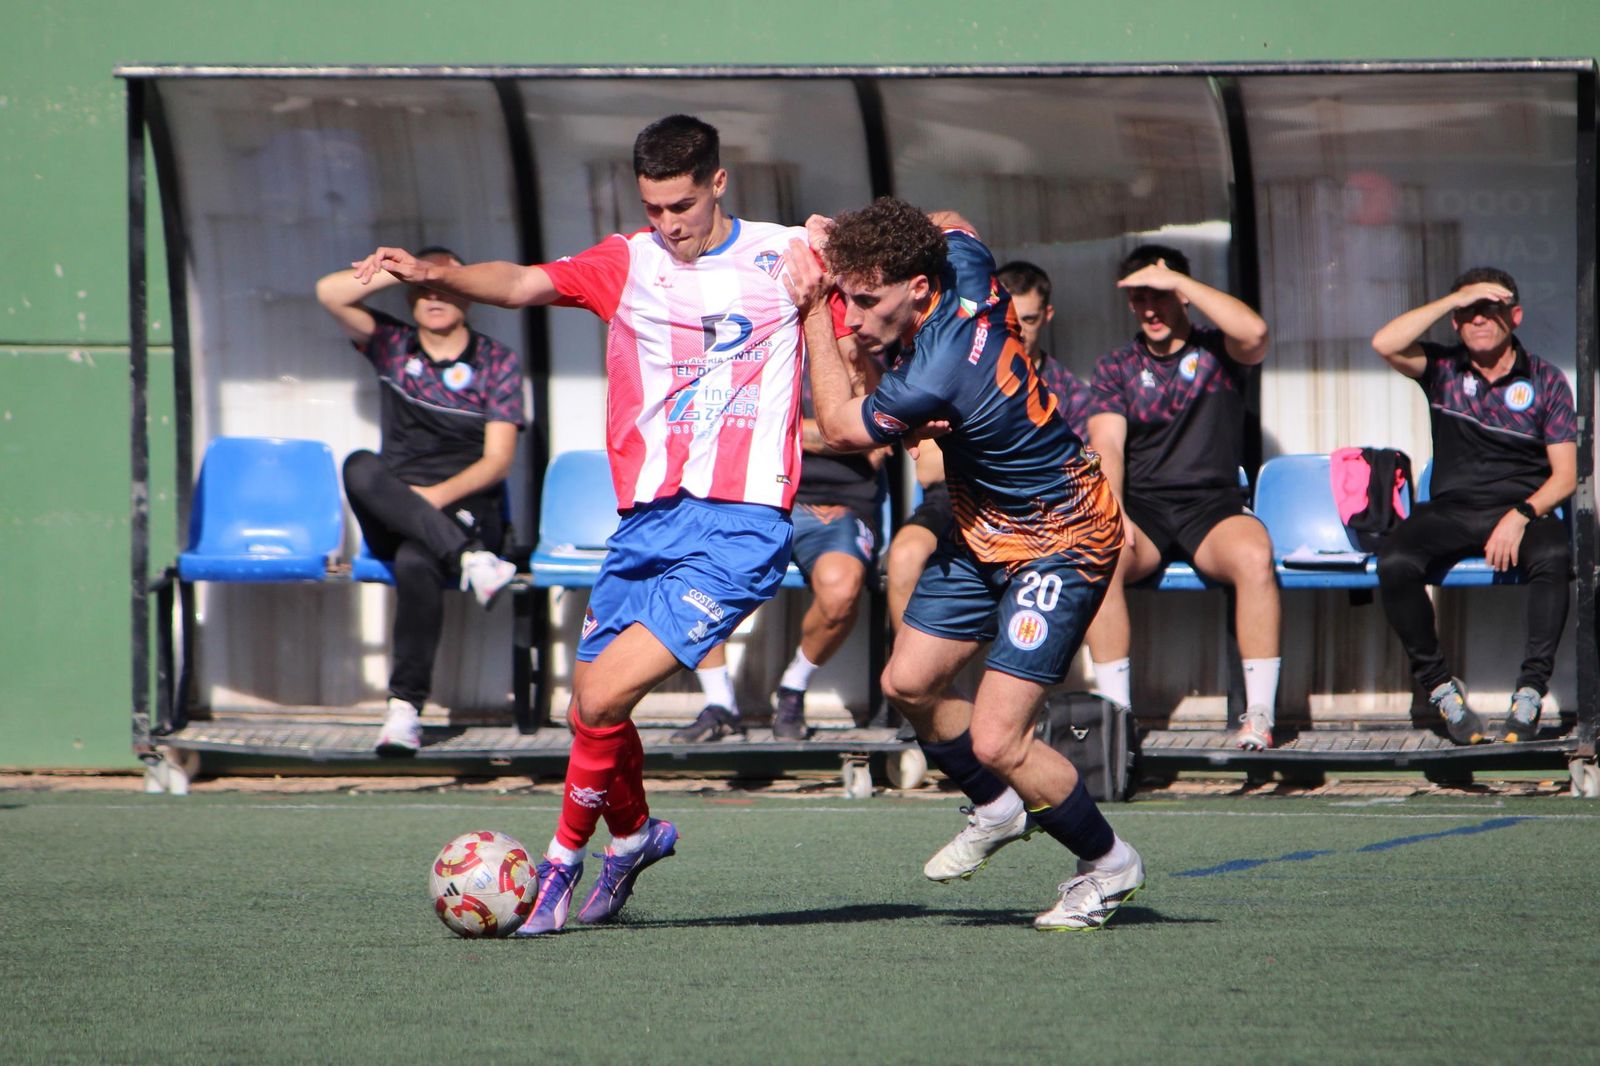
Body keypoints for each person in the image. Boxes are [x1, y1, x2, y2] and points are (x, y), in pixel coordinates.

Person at [353, 115, 812, 934]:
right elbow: (525, 283)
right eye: (653, 206)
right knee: (590, 709)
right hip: (645, 523)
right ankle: (633, 835)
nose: (668, 224)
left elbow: (884, 287)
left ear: (718, 183)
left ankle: (560, 868)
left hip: (740, 525)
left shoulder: (788, 255)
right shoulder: (626, 261)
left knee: (599, 694)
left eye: (681, 205)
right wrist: (433, 275)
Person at [790, 197, 1145, 932]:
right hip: (984, 526)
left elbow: (835, 425)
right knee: (908, 681)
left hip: (1061, 537)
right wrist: (848, 239)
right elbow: (952, 217)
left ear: (917, 290)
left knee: (997, 738)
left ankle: (1109, 866)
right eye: (845, 299)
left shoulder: (938, 369)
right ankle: (997, 806)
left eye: (863, 299)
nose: (852, 316)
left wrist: (812, 309)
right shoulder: (964, 266)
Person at [315, 246, 524, 757]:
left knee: (415, 561)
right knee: (360, 465)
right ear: (409, 297)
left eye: (447, 286)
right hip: (399, 506)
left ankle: (403, 710)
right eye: (424, 288)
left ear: (468, 296)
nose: (434, 297)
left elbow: (497, 461)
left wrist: (432, 500)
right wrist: (395, 269)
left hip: (467, 504)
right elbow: (329, 291)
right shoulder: (391, 345)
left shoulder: (496, 361)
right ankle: (472, 560)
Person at [1370, 267, 1576, 745]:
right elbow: (1385, 343)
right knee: (1395, 561)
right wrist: (1452, 299)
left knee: (1554, 557)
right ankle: (1441, 689)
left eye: (1492, 311)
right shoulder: (1442, 368)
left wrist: (1520, 515)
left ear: (1515, 317)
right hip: (1451, 508)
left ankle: (1529, 693)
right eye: (1468, 313)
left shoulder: (1547, 379)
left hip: (1523, 509)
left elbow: (1565, 476)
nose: (1479, 320)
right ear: (1456, 322)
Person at [1083, 245, 1276, 749]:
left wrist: (1180, 282)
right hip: (1144, 507)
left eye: (1161, 296)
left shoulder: (1219, 351)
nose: (1150, 308)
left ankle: (1258, 715)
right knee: (1097, 557)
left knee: (1255, 557)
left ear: (1184, 297)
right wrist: (1114, 511)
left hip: (1211, 506)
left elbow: (1255, 333)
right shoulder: (1115, 367)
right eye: (1140, 297)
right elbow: (1106, 446)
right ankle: (1117, 725)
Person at [673, 338, 886, 743]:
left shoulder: (860, 350)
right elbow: (722, 423)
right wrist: (832, 433)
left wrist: (786, 431)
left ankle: (793, 689)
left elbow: (876, 434)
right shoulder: (754, 346)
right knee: (696, 573)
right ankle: (720, 704)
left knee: (841, 591)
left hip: (838, 507)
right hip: (754, 498)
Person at [884, 261, 1088, 633]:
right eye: (1012, 317)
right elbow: (928, 469)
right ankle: (908, 683)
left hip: (1037, 504)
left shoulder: (1066, 389)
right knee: (905, 553)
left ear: (1047, 316)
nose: (1020, 330)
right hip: (956, 498)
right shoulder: (957, 370)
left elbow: (1081, 468)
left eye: (1028, 319)